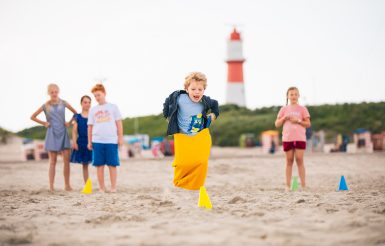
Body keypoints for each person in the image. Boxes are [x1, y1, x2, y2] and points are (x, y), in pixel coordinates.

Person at [163, 72, 219, 190]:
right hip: (182, 136)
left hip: (200, 135)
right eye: (193, 89)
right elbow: (167, 103)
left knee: (202, 162)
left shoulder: (205, 101)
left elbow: (215, 105)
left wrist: (213, 116)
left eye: (200, 89)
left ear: (204, 90)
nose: (197, 92)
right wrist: (167, 116)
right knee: (184, 163)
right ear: (187, 89)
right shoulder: (178, 98)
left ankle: (197, 186)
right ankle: (180, 182)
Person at [30, 83, 77, 191]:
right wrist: (44, 123)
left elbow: (76, 113)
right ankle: (51, 187)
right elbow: (33, 117)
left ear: (58, 92)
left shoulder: (64, 103)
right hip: (51, 133)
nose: (54, 94)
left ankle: (67, 185)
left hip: (63, 133)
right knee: (52, 161)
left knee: (66, 161)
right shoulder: (45, 105)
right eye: (52, 92)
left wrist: (69, 123)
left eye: (56, 92)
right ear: (48, 93)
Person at [87, 84, 123, 193]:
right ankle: (101, 188)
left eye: (98, 95)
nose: (97, 97)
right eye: (95, 96)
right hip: (97, 141)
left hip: (111, 140)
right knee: (99, 165)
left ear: (104, 93)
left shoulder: (113, 107)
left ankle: (113, 187)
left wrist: (120, 137)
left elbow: (119, 123)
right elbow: (90, 126)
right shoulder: (93, 110)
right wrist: (89, 141)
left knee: (112, 164)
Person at [275, 87, 311, 191]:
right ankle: (287, 185)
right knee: (289, 161)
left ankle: (303, 185)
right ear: (288, 96)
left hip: (300, 138)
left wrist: (298, 121)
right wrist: (283, 118)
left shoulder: (302, 109)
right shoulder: (284, 109)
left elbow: (308, 124)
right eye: (291, 94)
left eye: (295, 94)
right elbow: (277, 124)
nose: (293, 96)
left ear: (298, 96)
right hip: (287, 138)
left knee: (300, 160)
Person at [70, 95, 93, 183]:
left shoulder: (93, 115)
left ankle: (101, 185)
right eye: (85, 102)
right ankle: (87, 185)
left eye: (89, 102)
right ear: (81, 103)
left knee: (99, 163)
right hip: (82, 142)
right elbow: (74, 131)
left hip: (93, 141)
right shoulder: (77, 116)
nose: (87, 104)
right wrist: (74, 142)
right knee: (85, 165)